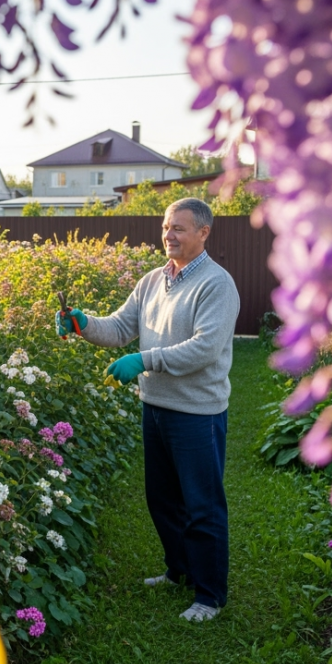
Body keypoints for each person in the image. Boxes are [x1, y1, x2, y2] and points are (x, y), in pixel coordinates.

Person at [57, 198, 239, 622]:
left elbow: (204, 348)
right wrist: (84, 324)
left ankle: (210, 596)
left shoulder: (217, 284)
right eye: (165, 227)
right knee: (163, 500)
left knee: (202, 505)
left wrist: (145, 359)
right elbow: (122, 327)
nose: (168, 235)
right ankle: (180, 570)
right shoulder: (153, 280)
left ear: (204, 233)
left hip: (197, 412)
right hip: (155, 407)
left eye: (178, 228)